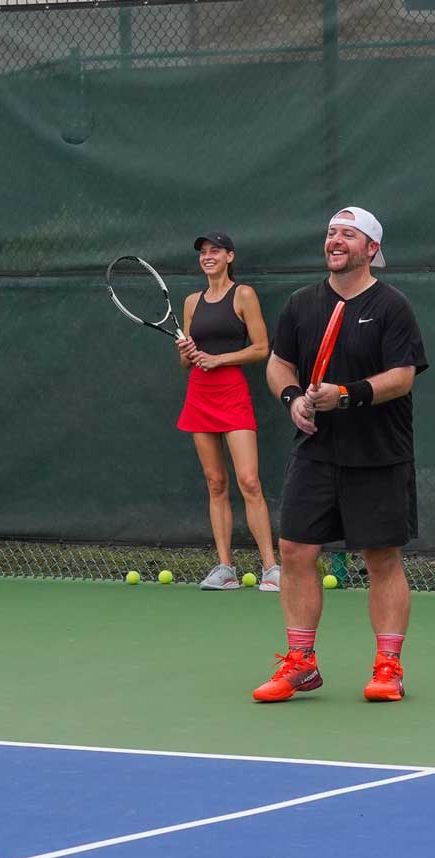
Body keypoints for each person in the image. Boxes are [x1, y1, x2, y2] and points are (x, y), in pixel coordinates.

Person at [256, 207, 428, 702]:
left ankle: (388, 666)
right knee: (294, 551)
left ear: (371, 249)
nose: (335, 240)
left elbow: (402, 376)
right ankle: (301, 663)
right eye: (331, 232)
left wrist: (346, 395)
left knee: (381, 558)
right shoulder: (300, 303)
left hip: (379, 452)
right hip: (316, 451)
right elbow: (280, 364)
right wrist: (293, 401)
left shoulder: (393, 306)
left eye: (347, 235)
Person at [176, 231, 280, 591]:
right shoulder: (192, 301)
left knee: (249, 481)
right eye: (203, 252)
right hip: (199, 396)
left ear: (229, 257)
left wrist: (219, 358)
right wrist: (187, 352)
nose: (208, 256)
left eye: (215, 251)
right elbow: (185, 363)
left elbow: (262, 348)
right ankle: (225, 568)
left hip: (232, 393)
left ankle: (270, 568)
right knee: (215, 483)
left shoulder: (244, 295)